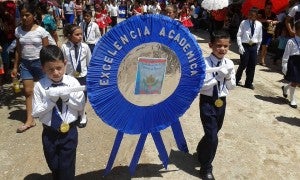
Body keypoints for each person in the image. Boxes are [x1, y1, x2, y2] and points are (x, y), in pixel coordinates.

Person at [32, 45, 85, 179]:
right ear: (43, 68)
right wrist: (51, 101)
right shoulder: (40, 86)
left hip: (69, 132)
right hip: (49, 132)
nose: (56, 72)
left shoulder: (73, 82)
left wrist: (67, 98)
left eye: (59, 68)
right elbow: (36, 112)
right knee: (54, 165)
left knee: (67, 166)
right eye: (50, 69)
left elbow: (80, 106)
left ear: (65, 64)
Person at [196, 30, 236, 180]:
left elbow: (232, 87)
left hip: (221, 102)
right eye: (218, 45)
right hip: (207, 101)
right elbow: (201, 87)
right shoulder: (204, 63)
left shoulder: (229, 63)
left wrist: (226, 78)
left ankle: (201, 150)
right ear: (211, 45)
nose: (222, 49)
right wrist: (218, 76)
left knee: (213, 132)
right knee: (212, 136)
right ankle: (206, 168)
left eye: (226, 46)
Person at [12, 1, 49, 133]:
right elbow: (18, 50)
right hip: (26, 64)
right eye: (22, 15)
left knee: (46, 90)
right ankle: (30, 120)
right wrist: (15, 67)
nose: (24, 18)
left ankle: (49, 115)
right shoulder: (18, 31)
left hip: (40, 64)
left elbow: (46, 50)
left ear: (33, 15)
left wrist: (48, 66)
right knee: (28, 92)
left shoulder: (41, 31)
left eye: (27, 15)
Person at [61, 24, 91, 128]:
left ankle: (82, 116)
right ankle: (74, 114)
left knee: (82, 97)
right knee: (72, 96)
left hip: (83, 76)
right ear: (69, 36)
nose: (80, 36)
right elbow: (62, 63)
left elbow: (89, 62)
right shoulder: (64, 47)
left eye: (81, 34)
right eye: (77, 34)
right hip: (70, 77)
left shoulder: (85, 47)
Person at [236, 7, 262, 90]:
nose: (251, 16)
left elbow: (260, 37)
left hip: (253, 46)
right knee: (243, 63)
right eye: (249, 15)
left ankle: (248, 83)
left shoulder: (259, 24)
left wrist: (257, 49)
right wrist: (240, 45)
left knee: (252, 65)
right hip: (245, 45)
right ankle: (236, 79)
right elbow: (239, 35)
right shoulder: (244, 23)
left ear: (256, 16)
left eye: (253, 15)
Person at [281, 21, 300, 108]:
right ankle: (292, 99)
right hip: (293, 62)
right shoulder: (291, 41)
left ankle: (285, 88)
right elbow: (286, 54)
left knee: (296, 81)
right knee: (295, 81)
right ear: (296, 30)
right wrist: (284, 64)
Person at [257, 2, 278, 66]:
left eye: (270, 8)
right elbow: (257, 19)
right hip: (260, 30)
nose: (269, 9)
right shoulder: (261, 12)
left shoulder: (273, 14)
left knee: (265, 46)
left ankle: (262, 60)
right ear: (265, 7)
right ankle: (254, 57)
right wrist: (266, 20)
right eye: (267, 8)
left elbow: (277, 21)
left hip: (269, 31)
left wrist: (274, 22)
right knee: (258, 44)